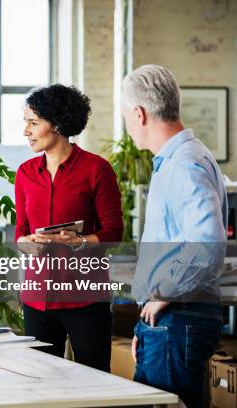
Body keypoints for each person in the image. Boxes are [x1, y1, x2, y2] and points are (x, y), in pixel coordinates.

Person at [122, 64, 227, 408]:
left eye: (126, 117)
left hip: (177, 319)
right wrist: (145, 326)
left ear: (139, 114)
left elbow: (207, 241)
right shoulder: (176, 161)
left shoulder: (185, 163)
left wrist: (163, 295)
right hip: (168, 322)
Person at [14, 84, 123, 372]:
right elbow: (20, 232)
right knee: (40, 382)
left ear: (58, 124)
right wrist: (28, 243)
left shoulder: (97, 170)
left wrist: (81, 241)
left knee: (95, 378)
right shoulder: (25, 174)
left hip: (84, 299)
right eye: (25, 122)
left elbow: (113, 233)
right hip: (37, 299)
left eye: (34, 123)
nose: (26, 131)